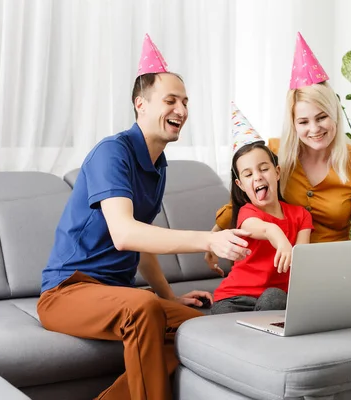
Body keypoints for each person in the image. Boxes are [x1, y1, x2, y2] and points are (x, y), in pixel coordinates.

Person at [37, 34, 251, 400]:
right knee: (144, 308)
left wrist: (170, 296)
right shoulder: (112, 154)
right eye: (171, 100)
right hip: (67, 292)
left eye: (185, 102)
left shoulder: (157, 165)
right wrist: (208, 238)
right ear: (141, 105)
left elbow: (142, 242)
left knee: (204, 331)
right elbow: (124, 234)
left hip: (118, 294)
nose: (181, 110)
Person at [206, 32, 351, 317]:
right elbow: (245, 202)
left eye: (321, 118)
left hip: (338, 268)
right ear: (293, 123)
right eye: (303, 121)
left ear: (335, 115)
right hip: (288, 276)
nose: (314, 129)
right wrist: (213, 237)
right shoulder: (276, 153)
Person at [210, 104, 314, 315]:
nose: (257, 176)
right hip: (234, 298)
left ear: (276, 173)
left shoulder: (301, 216)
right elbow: (264, 229)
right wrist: (279, 236)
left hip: (274, 300)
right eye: (248, 174)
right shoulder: (247, 214)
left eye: (263, 169)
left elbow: (303, 264)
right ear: (241, 186)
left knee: (274, 297)